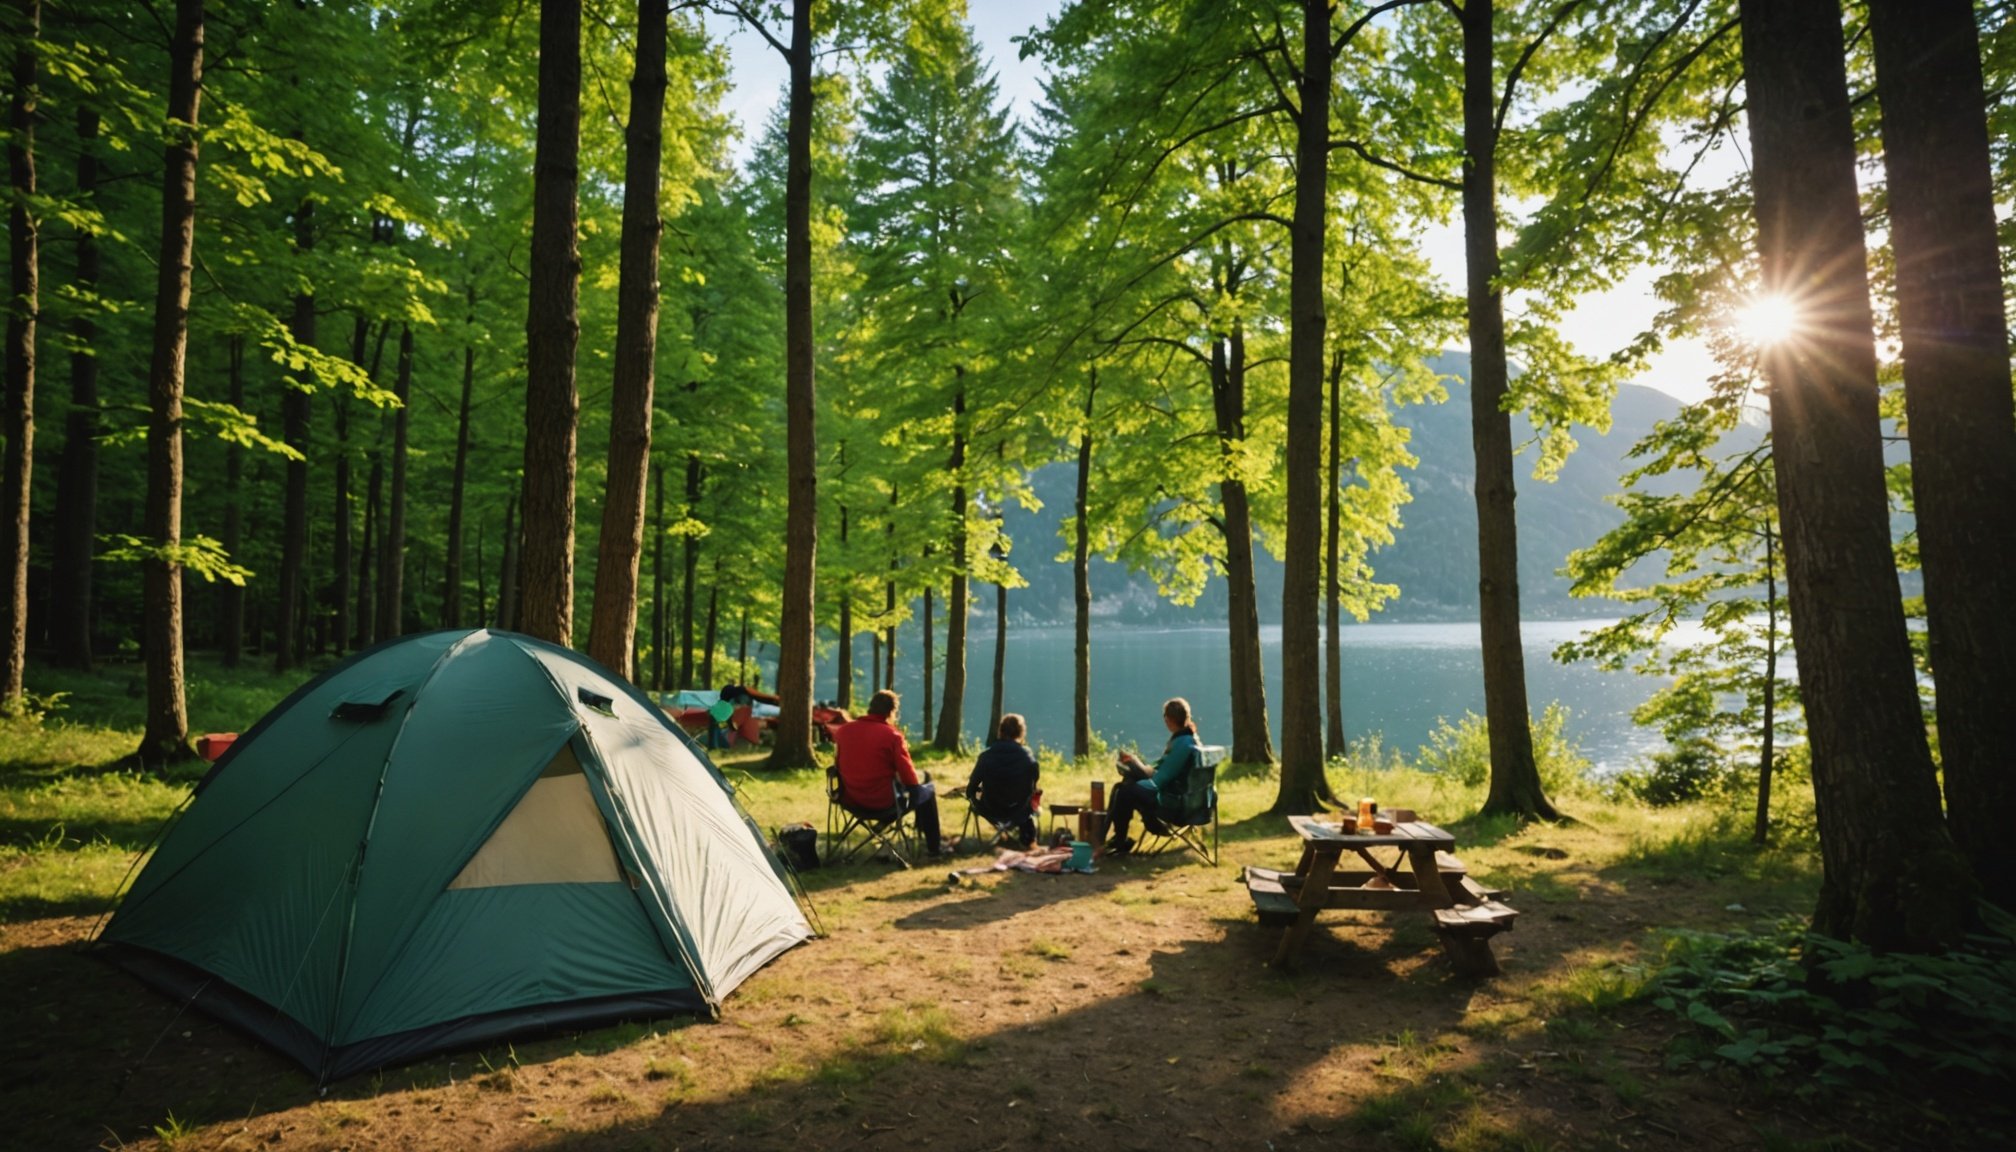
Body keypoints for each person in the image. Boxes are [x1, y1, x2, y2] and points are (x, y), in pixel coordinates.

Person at [832, 689, 949, 857]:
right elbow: (908, 775)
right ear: (892, 712)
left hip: (850, 799)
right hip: (883, 802)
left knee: (908, 787)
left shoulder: (843, 731)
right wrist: (916, 789)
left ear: (870, 708)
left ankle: (885, 826)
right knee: (926, 789)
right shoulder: (892, 735)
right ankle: (934, 847)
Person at [1102, 697, 1200, 857]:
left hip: (1175, 805)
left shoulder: (1183, 744)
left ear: (1169, 720)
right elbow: (1163, 767)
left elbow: (1159, 781)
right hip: (1189, 801)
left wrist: (1137, 775)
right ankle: (1119, 840)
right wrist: (1139, 768)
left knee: (1124, 791)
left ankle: (1120, 841)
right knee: (1127, 785)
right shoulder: (1189, 739)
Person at [966, 713, 1041, 848]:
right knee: (1032, 802)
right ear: (1021, 732)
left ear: (1000, 731)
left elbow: (971, 787)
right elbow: (1033, 785)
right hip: (1019, 809)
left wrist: (973, 794)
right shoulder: (1028, 758)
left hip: (991, 809)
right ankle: (1027, 839)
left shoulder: (986, 756)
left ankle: (1001, 836)